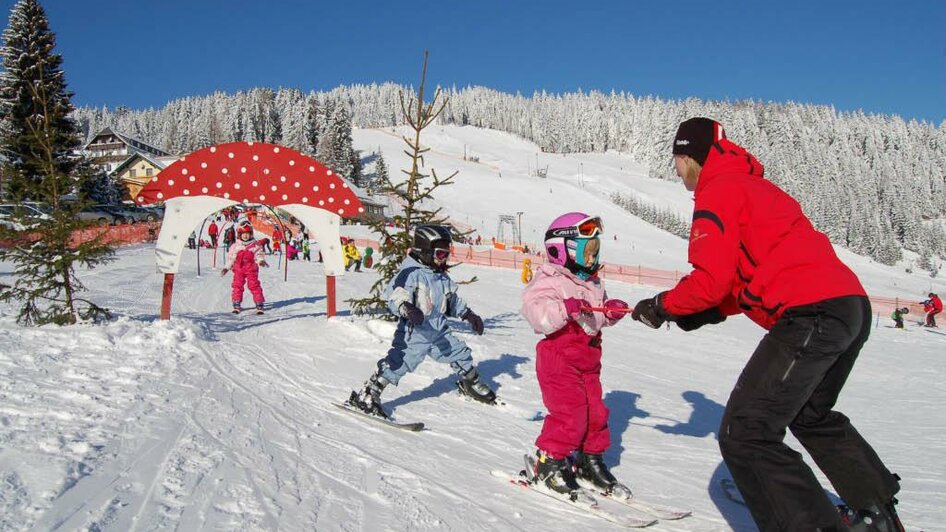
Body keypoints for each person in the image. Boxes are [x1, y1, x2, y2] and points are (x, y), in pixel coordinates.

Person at [631, 117, 904, 531]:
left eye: (677, 160)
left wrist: (663, 305)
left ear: (688, 157)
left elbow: (710, 280)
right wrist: (702, 312)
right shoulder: (752, 186)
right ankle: (875, 510)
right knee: (811, 414)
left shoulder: (717, 191)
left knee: (746, 432)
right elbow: (751, 279)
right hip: (849, 307)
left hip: (812, 314)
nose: (676, 170)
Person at [520, 212, 630, 497]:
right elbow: (536, 315)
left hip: (589, 358)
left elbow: (595, 316)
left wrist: (610, 312)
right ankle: (550, 462)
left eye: (595, 252)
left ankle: (588, 461)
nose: (592, 259)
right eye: (586, 252)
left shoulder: (593, 281)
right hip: (559, 357)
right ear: (561, 250)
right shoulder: (550, 280)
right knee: (571, 414)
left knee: (596, 413)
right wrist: (562, 309)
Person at [346, 224, 496, 418]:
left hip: (438, 329)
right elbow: (395, 295)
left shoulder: (439, 275)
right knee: (400, 362)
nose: (445, 259)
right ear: (424, 251)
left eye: (447, 254)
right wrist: (407, 309)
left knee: (460, 352)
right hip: (415, 332)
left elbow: (451, 300)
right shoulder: (411, 273)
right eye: (441, 254)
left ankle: (470, 383)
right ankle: (369, 394)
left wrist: (468, 314)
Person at [221, 223, 269, 314]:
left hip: (251, 269)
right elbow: (232, 258)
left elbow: (258, 255)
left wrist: (261, 261)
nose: (246, 236)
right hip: (239, 269)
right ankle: (236, 303)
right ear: (239, 235)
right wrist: (226, 268)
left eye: (247, 233)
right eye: (243, 234)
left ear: (251, 234)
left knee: (254, 285)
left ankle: (259, 303)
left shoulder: (255, 245)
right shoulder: (235, 246)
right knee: (237, 285)